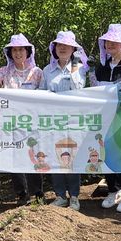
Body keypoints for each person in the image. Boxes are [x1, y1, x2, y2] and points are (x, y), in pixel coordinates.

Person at [0, 33, 44, 206]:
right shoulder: (5, 71)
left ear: (28, 52)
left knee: (33, 157)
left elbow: (44, 96)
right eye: (14, 50)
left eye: (21, 49)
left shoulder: (37, 72)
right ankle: (22, 195)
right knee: (15, 159)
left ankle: (38, 194)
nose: (18, 53)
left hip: (32, 122)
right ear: (10, 52)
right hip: (10, 123)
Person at [90, 24, 121, 213]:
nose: (110, 44)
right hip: (103, 119)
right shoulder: (101, 67)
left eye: (115, 42)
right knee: (105, 151)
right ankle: (113, 189)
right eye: (108, 41)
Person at [39, 31, 88, 211]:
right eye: (59, 45)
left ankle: (74, 196)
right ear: (54, 49)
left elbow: (78, 88)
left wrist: (74, 65)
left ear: (73, 49)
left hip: (73, 121)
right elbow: (42, 93)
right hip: (52, 121)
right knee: (54, 157)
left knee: (72, 159)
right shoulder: (47, 70)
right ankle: (60, 195)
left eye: (66, 46)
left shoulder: (81, 68)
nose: (62, 48)